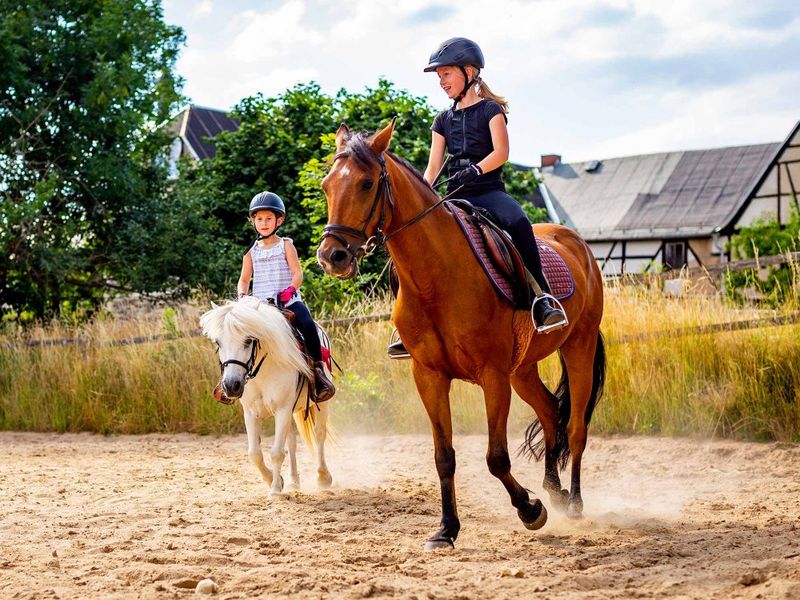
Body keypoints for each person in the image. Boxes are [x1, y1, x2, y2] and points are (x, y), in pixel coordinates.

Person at [387, 37, 568, 359]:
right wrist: (420, 197)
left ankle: (541, 298)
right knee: (407, 246)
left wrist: (476, 170)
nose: (441, 82)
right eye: (439, 76)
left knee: (520, 223)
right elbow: (431, 168)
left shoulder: (490, 110)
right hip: (453, 195)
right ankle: (406, 325)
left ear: (469, 72)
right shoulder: (442, 119)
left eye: (446, 74)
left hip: (488, 191)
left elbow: (502, 152)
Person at [238, 191, 335, 401]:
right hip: (261, 307)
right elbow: (244, 279)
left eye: (268, 219)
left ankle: (318, 373)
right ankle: (232, 378)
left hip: (287, 302)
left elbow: (297, 272)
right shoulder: (250, 251)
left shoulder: (286, 245)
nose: (264, 223)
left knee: (308, 325)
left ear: (278, 220)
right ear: (253, 221)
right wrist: (242, 296)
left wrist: (291, 289)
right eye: (259, 219)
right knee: (236, 334)